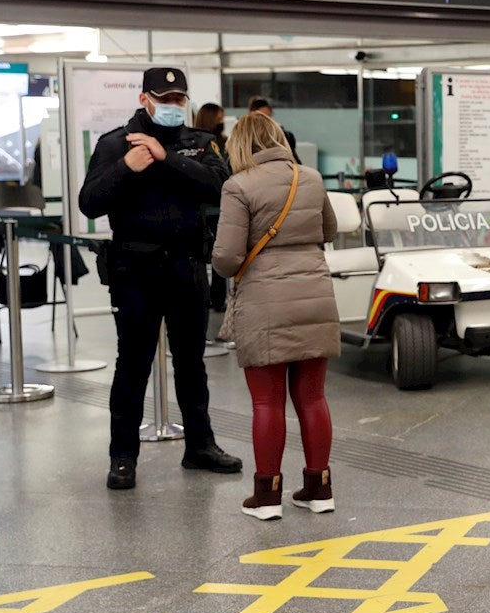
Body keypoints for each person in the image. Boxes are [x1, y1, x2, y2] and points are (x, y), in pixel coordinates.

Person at [78, 67, 242, 490]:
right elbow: (90, 203)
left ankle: (200, 445)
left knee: (191, 363)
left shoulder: (200, 143)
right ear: (144, 99)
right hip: (136, 270)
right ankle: (122, 456)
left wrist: (165, 157)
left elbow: (220, 187)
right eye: (163, 98)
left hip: (186, 267)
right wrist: (127, 168)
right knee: (132, 365)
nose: (171, 106)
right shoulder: (115, 144)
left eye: (178, 99)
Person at [212, 112, 341, 520]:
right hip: (314, 294)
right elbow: (330, 230)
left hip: (265, 302)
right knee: (314, 397)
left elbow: (228, 259)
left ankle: (267, 497)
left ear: (241, 145)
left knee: (267, 402)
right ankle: (319, 490)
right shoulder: (312, 178)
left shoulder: (238, 185)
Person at [194, 103, 230, 314]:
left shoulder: (209, 142)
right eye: (220, 118)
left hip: (214, 207)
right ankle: (210, 298)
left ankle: (215, 298)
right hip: (210, 207)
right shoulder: (207, 143)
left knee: (218, 256)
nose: (222, 122)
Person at [248, 95, 301, 163]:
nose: (265, 122)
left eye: (268, 118)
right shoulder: (244, 139)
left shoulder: (285, 136)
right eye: (261, 117)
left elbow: (295, 162)